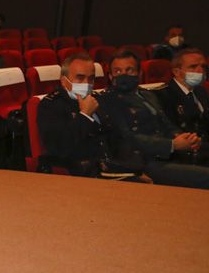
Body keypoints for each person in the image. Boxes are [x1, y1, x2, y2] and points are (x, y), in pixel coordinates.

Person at [98, 50, 209, 189]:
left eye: (129, 70)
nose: (123, 75)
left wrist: (185, 138)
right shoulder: (107, 100)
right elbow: (128, 137)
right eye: (118, 71)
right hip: (142, 162)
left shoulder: (148, 95)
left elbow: (166, 124)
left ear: (139, 74)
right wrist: (172, 144)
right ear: (110, 76)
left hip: (169, 156)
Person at [37, 53, 128, 177]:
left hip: (113, 166)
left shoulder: (99, 99)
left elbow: (117, 136)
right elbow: (60, 147)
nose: (87, 83)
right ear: (64, 81)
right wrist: (85, 115)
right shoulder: (51, 106)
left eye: (91, 78)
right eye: (80, 78)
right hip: (81, 172)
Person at [154, 48, 208, 162]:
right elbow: (173, 132)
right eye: (193, 67)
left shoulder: (201, 91)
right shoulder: (163, 95)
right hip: (184, 154)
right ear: (176, 71)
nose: (200, 71)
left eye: (203, 66)